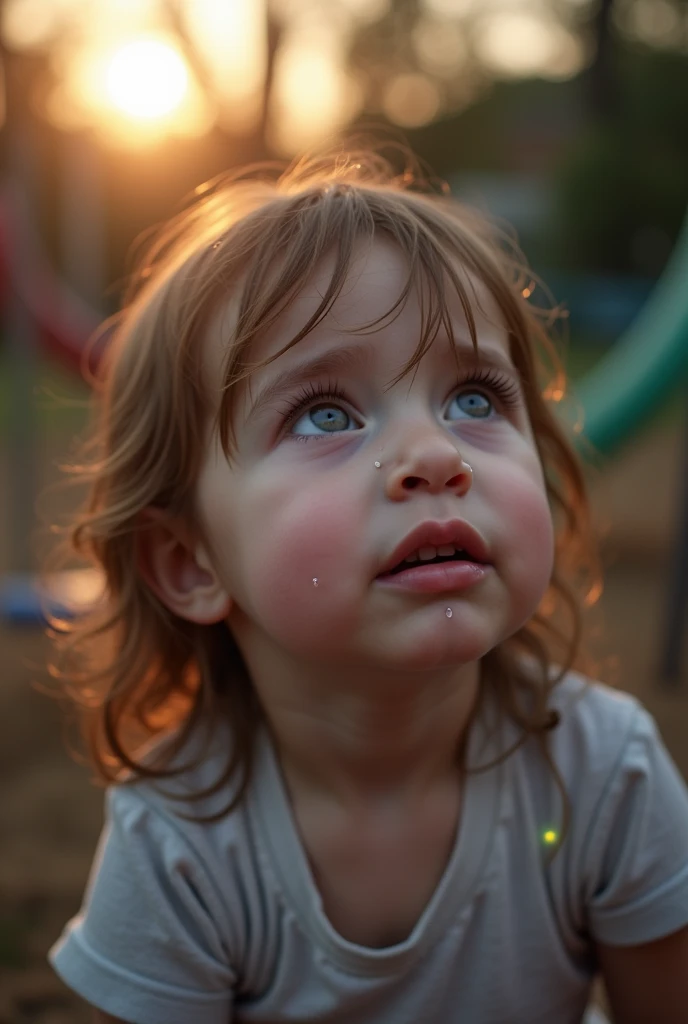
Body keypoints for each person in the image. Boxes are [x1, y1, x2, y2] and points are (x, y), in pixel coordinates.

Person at [47, 147, 688, 1024]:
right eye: (326, 415)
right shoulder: (180, 840)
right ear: (191, 563)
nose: (435, 455)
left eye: (473, 398)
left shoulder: (605, 773)